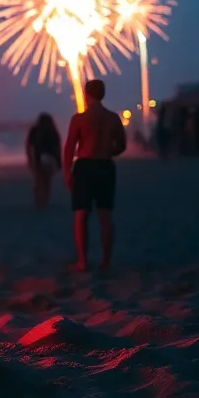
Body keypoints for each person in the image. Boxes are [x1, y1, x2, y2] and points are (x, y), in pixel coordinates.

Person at [63, 78, 127, 270]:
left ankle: (82, 260)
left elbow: (68, 148)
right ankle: (106, 260)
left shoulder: (79, 119)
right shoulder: (113, 118)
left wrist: (67, 172)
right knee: (105, 214)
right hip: (105, 166)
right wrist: (108, 151)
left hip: (84, 167)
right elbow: (121, 145)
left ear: (86, 94)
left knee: (81, 214)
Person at [26, 112, 61, 208]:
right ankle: (45, 200)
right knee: (47, 181)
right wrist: (59, 162)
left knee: (38, 181)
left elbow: (29, 146)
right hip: (51, 159)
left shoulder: (34, 131)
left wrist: (29, 158)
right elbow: (57, 148)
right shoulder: (53, 131)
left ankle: (39, 201)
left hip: (38, 159)